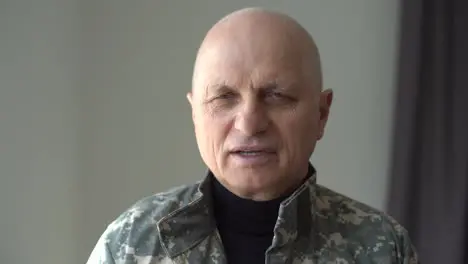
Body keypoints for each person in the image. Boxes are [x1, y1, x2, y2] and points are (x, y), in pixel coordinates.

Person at [86, 7, 418, 264]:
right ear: (195, 114)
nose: (249, 124)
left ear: (321, 114)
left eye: (277, 96)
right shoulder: (131, 244)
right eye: (224, 98)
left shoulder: (383, 247)